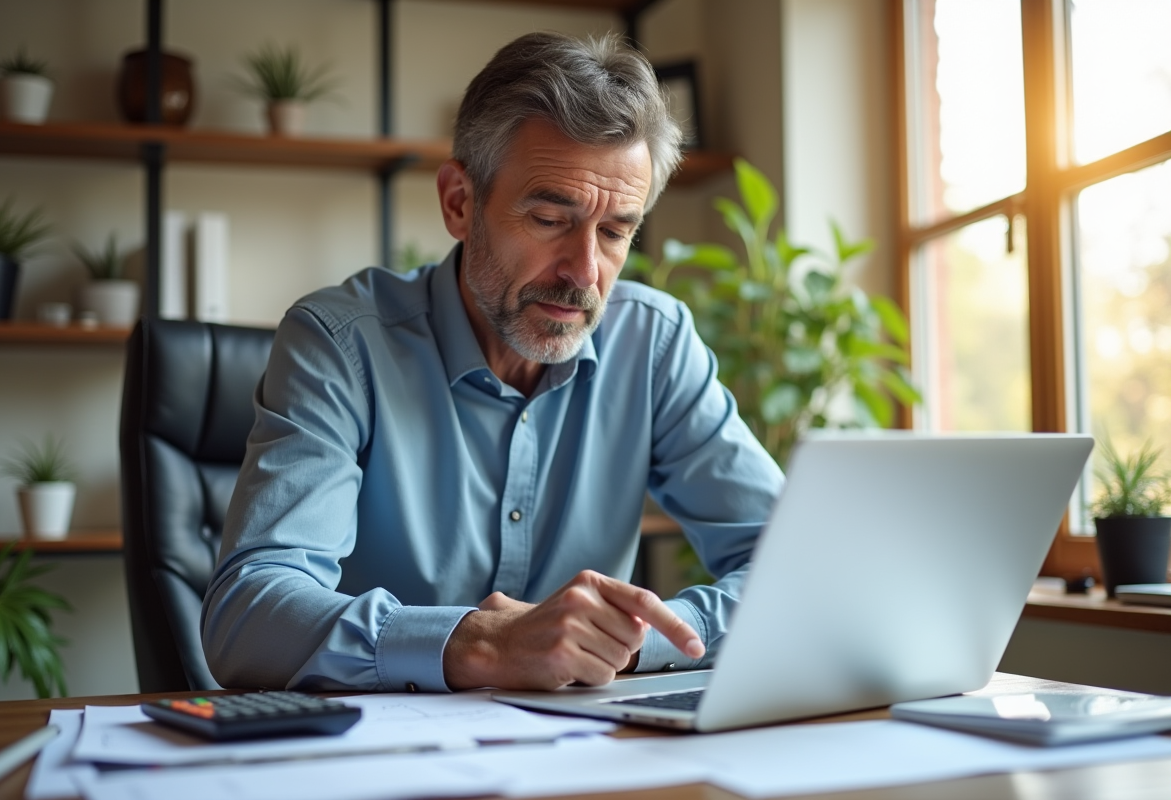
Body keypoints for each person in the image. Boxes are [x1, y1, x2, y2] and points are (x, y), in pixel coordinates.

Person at [201, 31, 783, 693]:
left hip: (588, 758)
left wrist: (635, 637)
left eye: (617, 230)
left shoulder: (654, 343)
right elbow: (247, 617)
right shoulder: (339, 343)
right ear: (459, 203)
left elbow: (794, 566)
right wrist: (475, 644)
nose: (584, 273)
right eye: (547, 218)